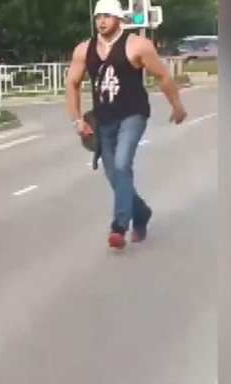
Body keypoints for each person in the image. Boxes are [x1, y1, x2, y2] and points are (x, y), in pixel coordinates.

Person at [65, 0, 187, 249]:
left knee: (122, 164)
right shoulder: (84, 49)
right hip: (103, 119)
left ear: (119, 19)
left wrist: (177, 106)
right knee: (113, 175)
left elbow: (162, 76)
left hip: (133, 114)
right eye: (98, 16)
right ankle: (141, 213)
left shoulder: (136, 45)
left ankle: (119, 226)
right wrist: (77, 119)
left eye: (107, 16)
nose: (101, 21)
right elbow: (72, 83)